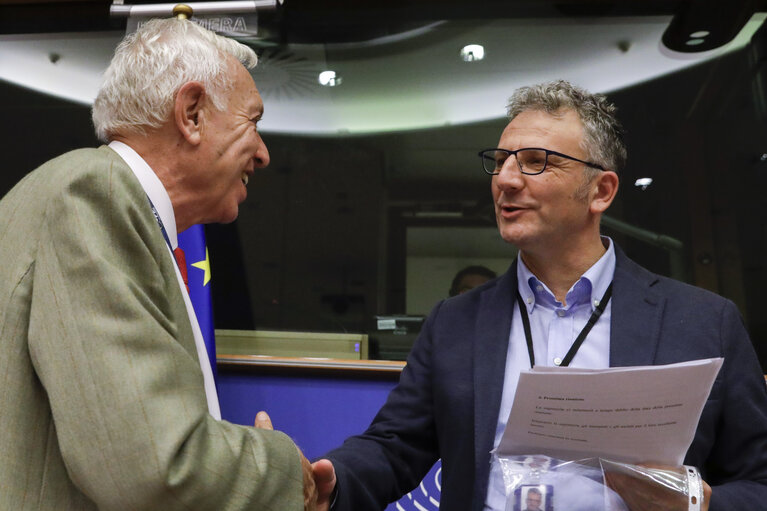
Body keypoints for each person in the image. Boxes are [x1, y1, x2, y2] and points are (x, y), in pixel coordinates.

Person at [312, 80, 767, 510]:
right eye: (502, 160)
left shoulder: (704, 322)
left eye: (535, 161)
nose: (506, 180)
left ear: (600, 191)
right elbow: (395, 446)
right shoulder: (456, 322)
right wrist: (331, 482)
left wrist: (699, 503)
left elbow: (759, 481)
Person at [0, 18, 317, 510]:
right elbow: (153, 466)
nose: (263, 154)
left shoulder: (87, 192)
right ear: (191, 114)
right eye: (253, 123)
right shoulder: (95, 195)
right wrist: (281, 470)